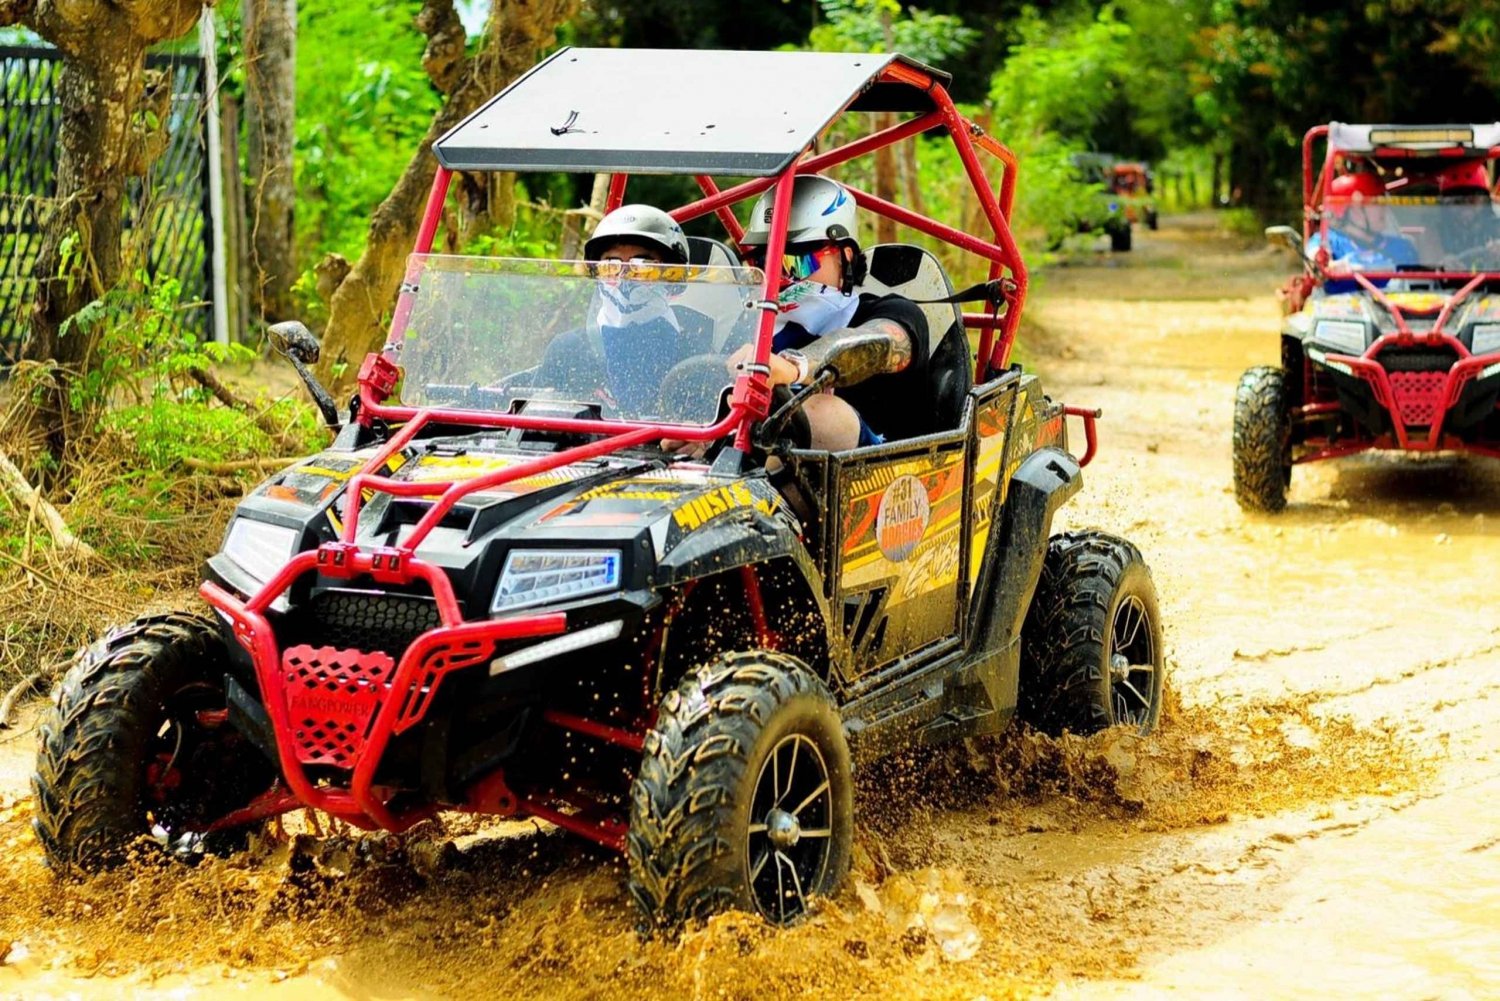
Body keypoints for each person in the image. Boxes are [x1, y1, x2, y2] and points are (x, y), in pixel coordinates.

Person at [733, 175, 930, 450]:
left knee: (822, 415)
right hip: (751, 472)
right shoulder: (754, 326)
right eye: (764, 262)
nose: (779, 277)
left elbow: (883, 343)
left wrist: (794, 367)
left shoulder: (895, 313)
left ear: (845, 256)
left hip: (877, 475)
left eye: (794, 263)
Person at [533, 204, 712, 414]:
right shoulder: (567, 349)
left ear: (672, 276)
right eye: (610, 265)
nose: (624, 277)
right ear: (596, 273)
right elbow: (536, 420)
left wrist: (697, 441)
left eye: (644, 266)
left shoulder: (695, 352)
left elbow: (712, 427)